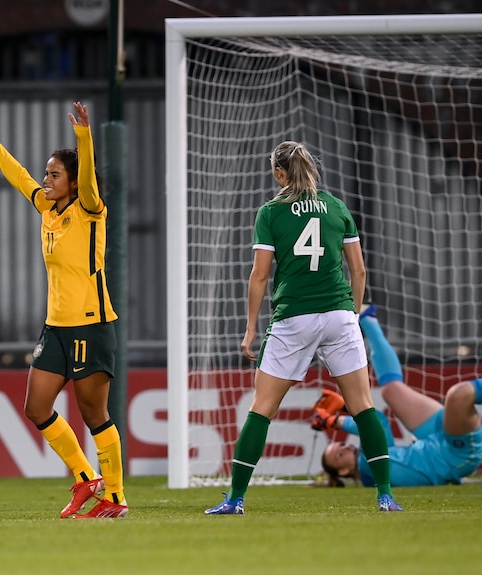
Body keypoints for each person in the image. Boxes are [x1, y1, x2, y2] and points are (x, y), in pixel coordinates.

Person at [204, 141, 402, 515]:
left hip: (294, 317)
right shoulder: (337, 207)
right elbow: (358, 270)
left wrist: (250, 328)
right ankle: (385, 496)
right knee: (363, 406)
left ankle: (235, 499)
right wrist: (355, 314)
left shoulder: (271, 213)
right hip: (339, 315)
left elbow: (260, 274)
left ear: (280, 173)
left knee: (261, 409)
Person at [0, 101, 127, 518]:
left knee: (95, 414)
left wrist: (84, 137)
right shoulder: (46, 208)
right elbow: (17, 175)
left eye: (55, 174)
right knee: (36, 408)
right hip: (55, 325)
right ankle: (85, 477)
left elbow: (88, 179)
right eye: (47, 173)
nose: (46, 179)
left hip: (91, 324)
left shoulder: (90, 209)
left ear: (73, 182)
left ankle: (115, 498)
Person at [317, 305, 482, 486]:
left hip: (433, 440)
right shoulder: (367, 466)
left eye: (342, 445)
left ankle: (368, 319)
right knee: (459, 395)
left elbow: (380, 422)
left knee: (391, 390)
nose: (347, 446)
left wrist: (344, 407)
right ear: (344, 471)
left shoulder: (378, 460)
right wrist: (335, 421)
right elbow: (376, 422)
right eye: (340, 454)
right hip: (454, 454)